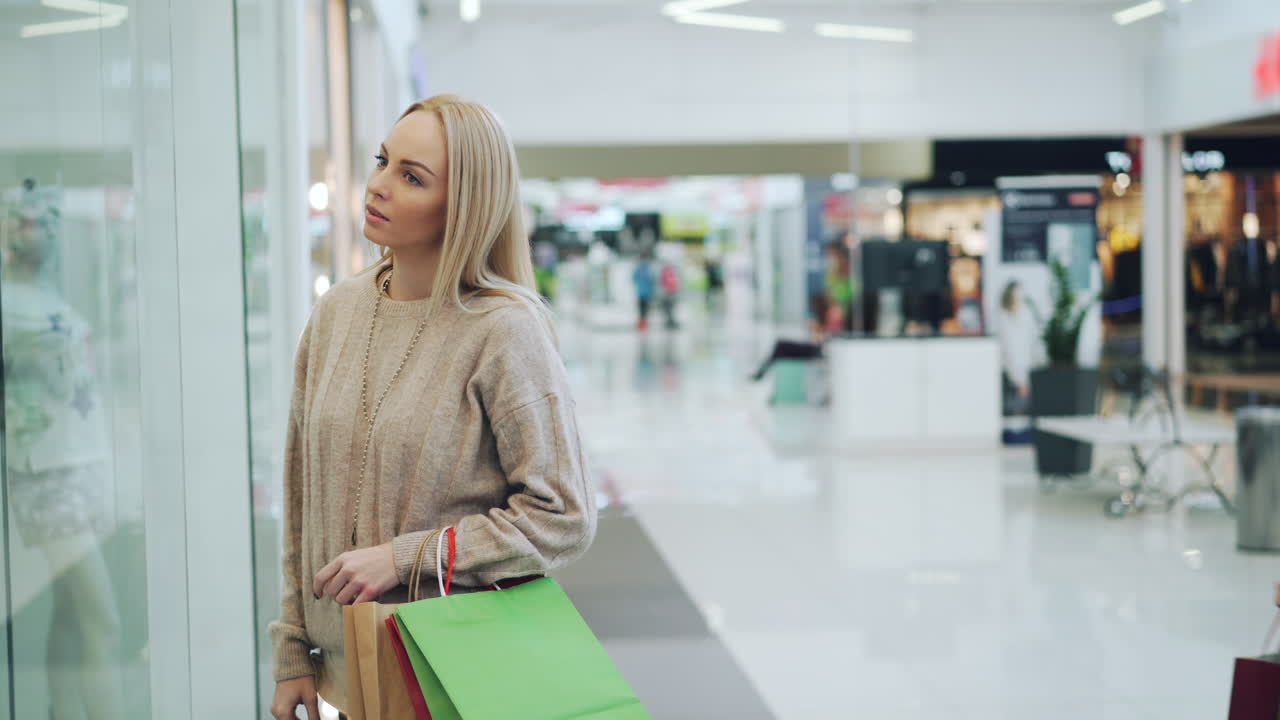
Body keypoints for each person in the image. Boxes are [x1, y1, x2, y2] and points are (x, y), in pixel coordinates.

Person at [269, 95, 597, 720]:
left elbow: (564, 515)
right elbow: (301, 497)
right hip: (345, 676)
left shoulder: (503, 330)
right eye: (383, 160)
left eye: (412, 176)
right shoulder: (337, 312)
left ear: (463, 206)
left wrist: (405, 556)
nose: (378, 185)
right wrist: (292, 650)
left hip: (453, 672)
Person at [997, 280, 1041, 415]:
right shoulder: (1003, 317)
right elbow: (1007, 349)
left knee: (1025, 407)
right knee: (1013, 408)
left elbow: (1032, 341)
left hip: (1026, 368)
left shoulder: (1027, 314)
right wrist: (1017, 378)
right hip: (1009, 371)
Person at [633, 252, 655, 330]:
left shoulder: (639, 268)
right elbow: (652, 280)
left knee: (642, 309)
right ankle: (643, 324)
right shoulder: (647, 268)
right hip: (645, 292)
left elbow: (634, 279)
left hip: (642, 292)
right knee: (644, 309)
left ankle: (642, 324)